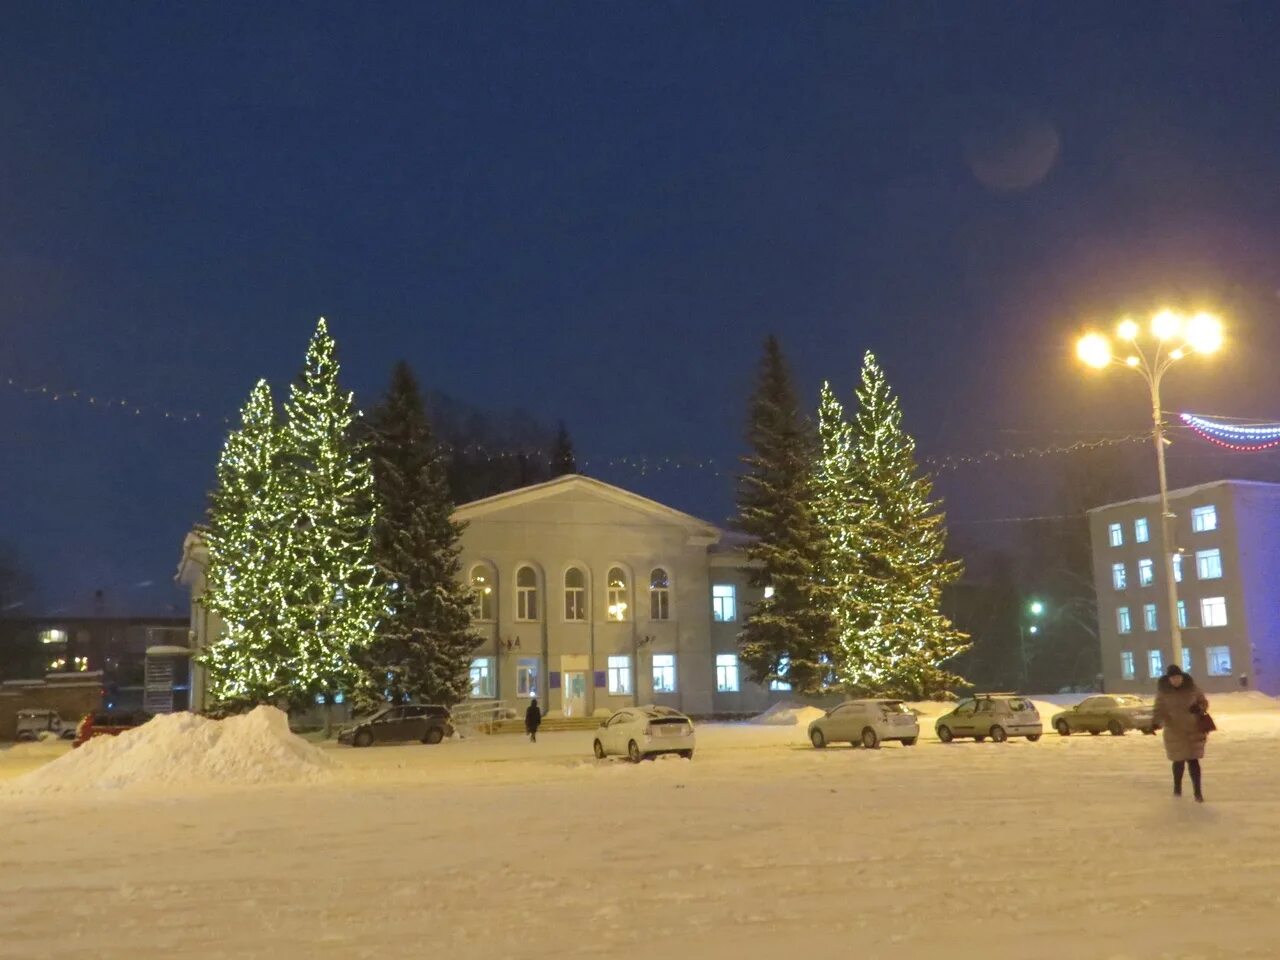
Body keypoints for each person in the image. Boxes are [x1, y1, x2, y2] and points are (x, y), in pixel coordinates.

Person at [1153, 664, 1210, 802]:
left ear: (1182, 677)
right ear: (1169, 679)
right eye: (1173, 678)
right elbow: (1159, 709)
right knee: (1178, 762)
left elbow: (1203, 702)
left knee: (1193, 761)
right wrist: (1156, 722)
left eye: (1178, 677)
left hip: (1192, 730)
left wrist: (1199, 707)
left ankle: (1198, 793)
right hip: (1174, 731)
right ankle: (1177, 790)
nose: (1176, 680)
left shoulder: (1192, 689)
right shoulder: (1164, 692)